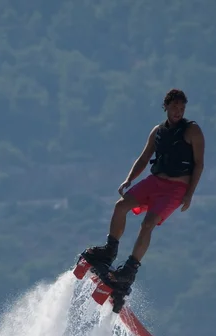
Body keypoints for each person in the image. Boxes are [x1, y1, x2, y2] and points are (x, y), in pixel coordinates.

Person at [84, 88, 205, 286]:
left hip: (176, 188)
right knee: (120, 206)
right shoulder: (157, 131)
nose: (179, 111)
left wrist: (189, 194)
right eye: (175, 107)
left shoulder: (193, 131)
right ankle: (109, 251)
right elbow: (144, 158)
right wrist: (129, 179)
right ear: (165, 107)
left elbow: (199, 164)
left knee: (147, 223)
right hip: (154, 181)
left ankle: (129, 270)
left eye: (182, 108)